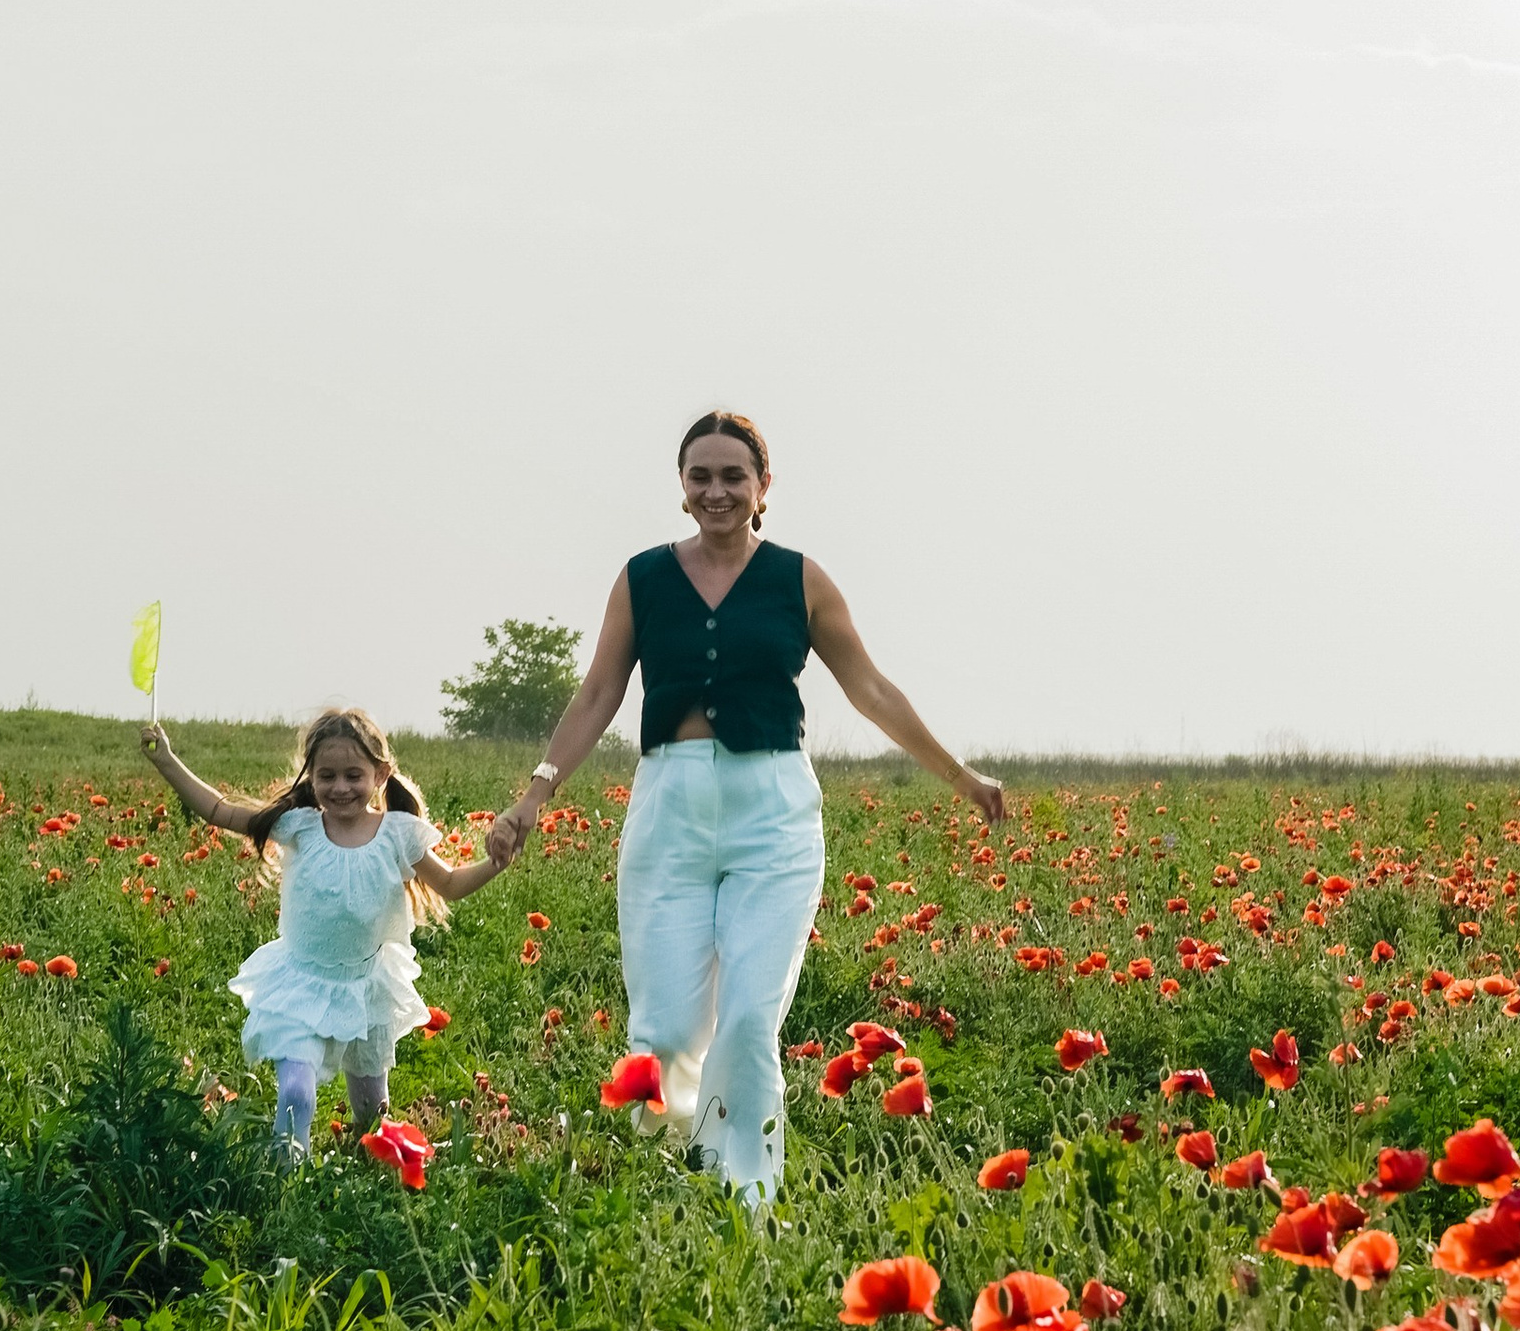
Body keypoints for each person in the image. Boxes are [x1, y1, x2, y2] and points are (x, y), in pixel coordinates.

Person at [484, 409, 1004, 1204]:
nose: (717, 490)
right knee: (661, 1032)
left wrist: (959, 775)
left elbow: (869, 689)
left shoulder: (800, 579)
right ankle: (670, 1177)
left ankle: (747, 1204)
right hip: (671, 812)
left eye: (734, 476)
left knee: (751, 1022)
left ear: (764, 487)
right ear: (682, 488)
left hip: (774, 817)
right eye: (701, 476)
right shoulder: (643, 578)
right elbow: (598, 692)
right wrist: (536, 794)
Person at [144, 703, 517, 1155]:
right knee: (297, 1092)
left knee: (371, 1113)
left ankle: (372, 1167)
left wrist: (495, 864)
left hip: (364, 989)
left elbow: (453, 885)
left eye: (353, 776)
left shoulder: (399, 834)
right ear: (312, 777)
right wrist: (166, 760)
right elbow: (220, 810)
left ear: (380, 775)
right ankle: (287, 1181)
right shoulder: (298, 826)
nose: (340, 788)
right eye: (327, 776)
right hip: (301, 984)